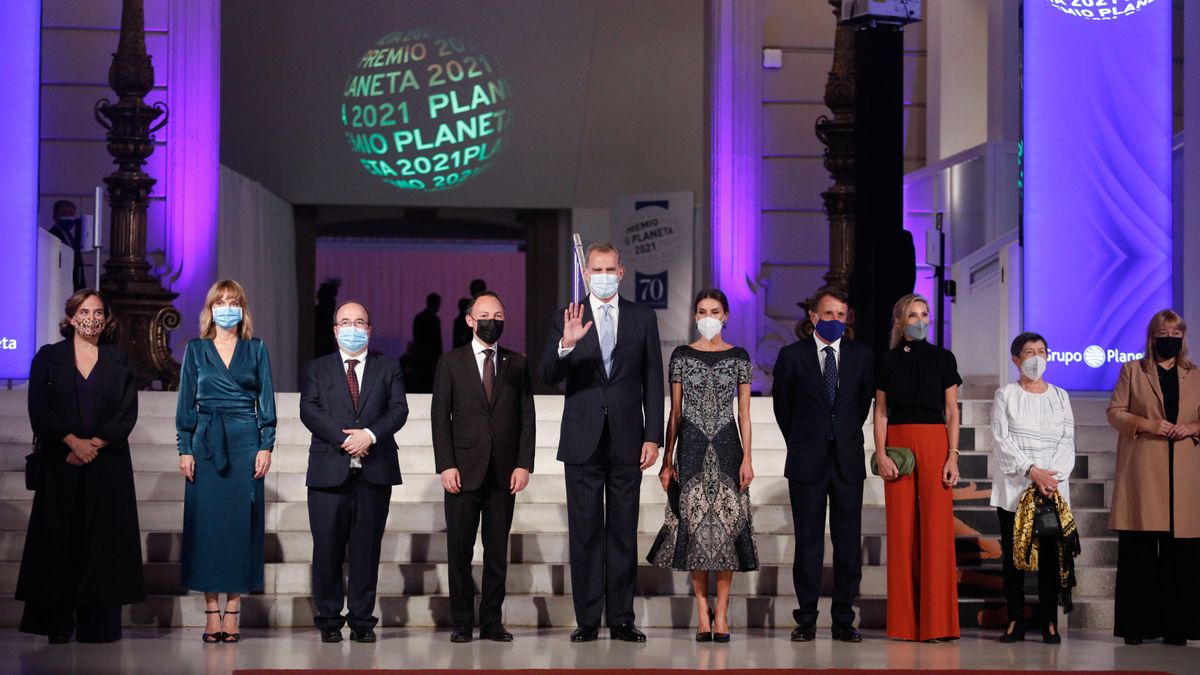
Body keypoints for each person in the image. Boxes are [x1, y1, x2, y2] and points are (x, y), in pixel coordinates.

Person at [540, 241, 664, 643]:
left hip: (628, 438)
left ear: (622, 272)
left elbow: (653, 380)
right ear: (586, 273)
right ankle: (589, 618)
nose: (604, 275)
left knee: (623, 531)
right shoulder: (568, 317)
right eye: (597, 269)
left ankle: (622, 618)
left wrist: (653, 436)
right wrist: (568, 343)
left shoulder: (642, 317)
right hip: (582, 438)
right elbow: (547, 373)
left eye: (611, 269)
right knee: (586, 532)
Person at [17, 290, 143, 643]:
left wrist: (96, 444)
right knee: (59, 542)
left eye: (99, 311)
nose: (92, 318)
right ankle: (57, 623)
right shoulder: (49, 358)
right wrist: (72, 442)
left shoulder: (120, 360)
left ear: (107, 318)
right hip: (62, 461)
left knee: (104, 545)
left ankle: (99, 625)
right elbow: (39, 408)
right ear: (71, 317)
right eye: (85, 311)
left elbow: (126, 411)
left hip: (108, 465)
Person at [648, 289, 757, 643]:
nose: (707, 316)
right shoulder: (681, 356)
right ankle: (701, 612)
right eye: (701, 310)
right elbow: (675, 413)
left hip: (728, 448)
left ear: (725, 316)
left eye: (714, 310)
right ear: (694, 316)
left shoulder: (739, 357)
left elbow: (744, 413)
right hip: (691, 449)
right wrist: (667, 460)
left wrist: (748, 458)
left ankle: (722, 612)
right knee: (695, 531)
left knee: (726, 529)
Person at [300, 300, 409, 643]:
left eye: (359, 322)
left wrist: (370, 435)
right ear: (335, 330)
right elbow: (310, 410)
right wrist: (344, 440)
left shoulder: (388, 367)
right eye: (345, 322)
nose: (352, 328)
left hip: (374, 471)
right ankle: (329, 620)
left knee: (366, 550)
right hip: (328, 471)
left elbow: (398, 409)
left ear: (369, 330)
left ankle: (362, 620)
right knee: (327, 549)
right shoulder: (317, 368)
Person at [176, 279, 277, 643]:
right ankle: (210, 611)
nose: (227, 308)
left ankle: (233, 609)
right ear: (210, 309)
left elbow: (266, 399)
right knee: (207, 527)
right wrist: (184, 448)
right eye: (221, 302)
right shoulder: (196, 350)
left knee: (239, 526)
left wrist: (266, 444)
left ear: (243, 309)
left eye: (234, 302)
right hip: (205, 441)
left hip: (245, 440)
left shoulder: (256, 349)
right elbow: (186, 401)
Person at [432, 290, 536, 643]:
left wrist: (524, 464)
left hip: (503, 472)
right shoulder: (451, 362)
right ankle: (462, 621)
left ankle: (491, 620)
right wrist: (446, 464)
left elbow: (526, 416)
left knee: (496, 551)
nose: (493, 321)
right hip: (462, 470)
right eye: (486, 314)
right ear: (470, 320)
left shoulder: (517, 363)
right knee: (459, 551)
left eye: (499, 315)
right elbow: (439, 419)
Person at [771, 286, 873, 643]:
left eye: (841, 316)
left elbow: (861, 404)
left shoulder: (862, 355)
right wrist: (804, 439)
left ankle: (844, 618)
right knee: (809, 543)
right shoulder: (791, 355)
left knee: (847, 545)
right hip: (807, 460)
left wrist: (840, 433)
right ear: (813, 316)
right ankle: (807, 619)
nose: (835, 321)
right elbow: (783, 407)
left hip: (846, 461)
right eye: (828, 314)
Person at [1107, 309, 1200, 646]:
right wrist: (1146, 424)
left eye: (1176, 335)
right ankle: (1136, 627)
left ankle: (1178, 628)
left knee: (1181, 557)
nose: (1170, 340)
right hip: (1144, 472)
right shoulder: (1133, 370)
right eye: (1164, 334)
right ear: (1152, 335)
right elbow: (1115, 413)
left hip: (1184, 475)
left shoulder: (1195, 374)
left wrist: (1191, 427)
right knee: (1139, 553)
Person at [873, 293, 962, 642]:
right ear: (899, 321)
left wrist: (952, 455)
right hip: (897, 443)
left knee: (937, 530)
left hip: (934, 441)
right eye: (913, 315)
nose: (921, 320)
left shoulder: (943, 358)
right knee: (900, 530)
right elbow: (880, 412)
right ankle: (904, 623)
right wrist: (880, 455)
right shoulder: (886, 360)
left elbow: (952, 411)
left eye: (925, 314)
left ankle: (938, 623)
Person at [990, 332, 1075, 644]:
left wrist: (1051, 479)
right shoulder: (1006, 395)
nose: (1036, 357)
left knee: (1051, 558)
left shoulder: (1061, 396)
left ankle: (1049, 622)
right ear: (1016, 360)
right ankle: (1015, 620)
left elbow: (1067, 441)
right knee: (1015, 558)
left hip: (1052, 490)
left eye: (1041, 351)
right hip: (1015, 490)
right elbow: (1002, 440)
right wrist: (1032, 471)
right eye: (1029, 352)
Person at [411, 292, 444, 392]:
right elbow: (437, 341)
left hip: (420, 356)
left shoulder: (419, 318)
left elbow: (416, 338)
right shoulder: (434, 319)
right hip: (432, 358)